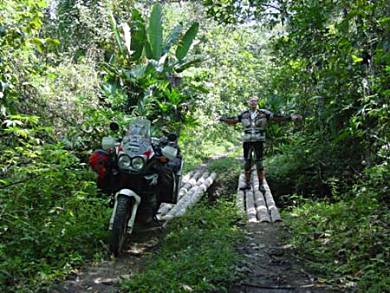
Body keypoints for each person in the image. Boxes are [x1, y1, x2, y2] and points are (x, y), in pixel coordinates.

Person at [220, 96, 302, 193]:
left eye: (255, 101)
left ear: (257, 102)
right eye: (251, 101)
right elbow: (233, 120)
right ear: (248, 102)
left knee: (259, 163)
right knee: (247, 162)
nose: (253, 103)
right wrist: (222, 119)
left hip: (259, 141)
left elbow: (277, 118)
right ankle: (247, 184)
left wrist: (291, 117)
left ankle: (261, 185)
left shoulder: (264, 113)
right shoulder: (244, 114)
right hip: (247, 141)